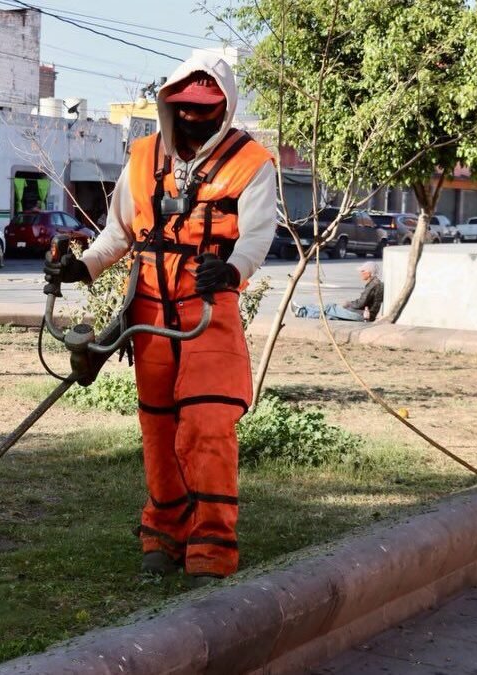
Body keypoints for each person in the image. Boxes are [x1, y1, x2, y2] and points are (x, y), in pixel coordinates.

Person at [44, 52, 277, 586]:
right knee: (158, 427)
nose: (195, 119)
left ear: (225, 107)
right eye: (185, 108)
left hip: (209, 311)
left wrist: (232, 269)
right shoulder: (143, 157)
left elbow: (257, 237)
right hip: (149, 314)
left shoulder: (251, 163)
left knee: (208, 425)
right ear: (170, 106)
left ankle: (213, 544)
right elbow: (119, 234)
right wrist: (82, 267)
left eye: (206, 109)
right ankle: (164, 533)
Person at [291, 262, 384, 321]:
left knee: (329, 307)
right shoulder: (376, 283)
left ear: (369, 272)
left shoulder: (373, 285)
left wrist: (348, 303)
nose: (360, 273)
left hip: (362, 315)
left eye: (362, 271)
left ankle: (301, 311)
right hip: (365, 314)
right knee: (330, 315)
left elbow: (360, 303)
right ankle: (302, 311)